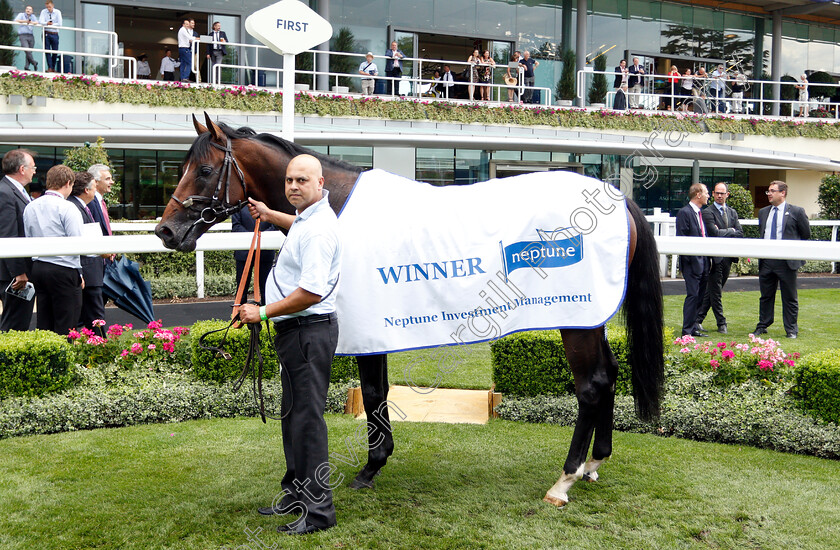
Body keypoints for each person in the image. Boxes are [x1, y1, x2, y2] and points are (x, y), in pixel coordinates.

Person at [240, 154, 341, 535]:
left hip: (307, 330)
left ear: (319, 183)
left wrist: (262, 313)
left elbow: (311, 292)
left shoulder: (317, 230)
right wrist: (269, 212)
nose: (293, 187)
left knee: (307, 422)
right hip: (298, 334)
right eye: (288, 181)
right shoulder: (307, 219)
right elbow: (295, 226)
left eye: (301, 180)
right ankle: (298, 493)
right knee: (294, 418)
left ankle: (319, 512)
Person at [23, 165, 84, 334]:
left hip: (39, 267)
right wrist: (80, 272)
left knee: (44, 321)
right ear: (68, 183)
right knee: (67, 322)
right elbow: (78, 242)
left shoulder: (31, 206)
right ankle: (64, 359)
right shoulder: (68, 207)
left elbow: (28, 238)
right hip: (63, 268)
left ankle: (47, 358)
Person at [754, 181, 811, 339]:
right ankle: (763, 325)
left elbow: (805, 234)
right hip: (767, 261)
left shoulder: (797, 211)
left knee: (789, 297)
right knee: (765, 296)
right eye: (768, 191)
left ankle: (791, 329)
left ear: (783, 193)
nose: (769, 194)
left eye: (772, 191)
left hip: (786, 262)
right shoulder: (764, 212)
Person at [695, 182, 743, 335]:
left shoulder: (732, 212)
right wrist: (731, 230)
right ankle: (721, 323)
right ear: (714, 194)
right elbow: (713, 233)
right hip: (714, 258)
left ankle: (697, 319)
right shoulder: (708, 212)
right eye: (717, 193)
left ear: (727, 194)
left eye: (722, 193)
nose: (719, 195)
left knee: (713, 291)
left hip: (728, 257)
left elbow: (740, 233)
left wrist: (724, 230)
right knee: (716, 291)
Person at [0, 149, 37, 332]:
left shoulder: (14, 191)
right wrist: (19, 272)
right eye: (33, 167)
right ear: (22, 169)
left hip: (13, 271)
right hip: (11, 274)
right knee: (14, 325)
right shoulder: (5, 192)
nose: (35, 171)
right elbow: (8, 235)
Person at [68, 171, 106, 336]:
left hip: (90, 269)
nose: (96, 190)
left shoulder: (80, 206)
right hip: (88, 270)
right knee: (95, 316)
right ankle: (99, 349)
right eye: (94, 187)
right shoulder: (74, 207)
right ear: (86, 190)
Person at [676, 183, 711, 337]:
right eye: (706, 193)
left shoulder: (700, 213)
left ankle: (694, 327)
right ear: (698, 194)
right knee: (693, 295)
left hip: (703, 262)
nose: (708, 195)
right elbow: (682, 239)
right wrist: (693, 261)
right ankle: (687, 331)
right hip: (691, 264)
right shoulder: (685, 213)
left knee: (700, 296)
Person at [231, 204, 277, 301]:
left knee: (266, 290)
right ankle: (238, 314)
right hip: (244, 254)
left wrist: (260, 237)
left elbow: (275, 225)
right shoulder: (239, 205)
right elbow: (236, 226)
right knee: (241, 291)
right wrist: (254, 238)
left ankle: (267, 314)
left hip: (265, 252)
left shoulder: (268, 203)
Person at [87, 164, 114, 237]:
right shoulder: (90, 202)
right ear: (96, 182)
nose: (112, 182)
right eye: (107, 179)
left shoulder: (100, 201)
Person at [39, 1, 62, 73]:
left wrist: (51, 24)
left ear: (52, 6)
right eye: (47, 7)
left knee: (55, 51)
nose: (48, 8)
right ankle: (50, 67)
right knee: (47, 51)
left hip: (55, 33)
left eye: (49, 7)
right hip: (46, 33)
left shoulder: (57, 12)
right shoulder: (43, 12)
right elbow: (40, 21)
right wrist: (46, 23)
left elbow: (60, 24)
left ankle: (53, 67)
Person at [14, 6, 39, 72]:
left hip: (30, 35)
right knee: (27, 50)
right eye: (27, 9)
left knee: (29, 52)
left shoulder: (33, 16)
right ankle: (34, 62)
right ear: (25, 10)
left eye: (30, 9)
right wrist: (25, 21)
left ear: (32, 11)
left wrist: (31, 22)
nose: (28, 10)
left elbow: (37, 22)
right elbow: (16, 20)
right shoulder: (21, 15)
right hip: (23, 35)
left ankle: (26, 67)